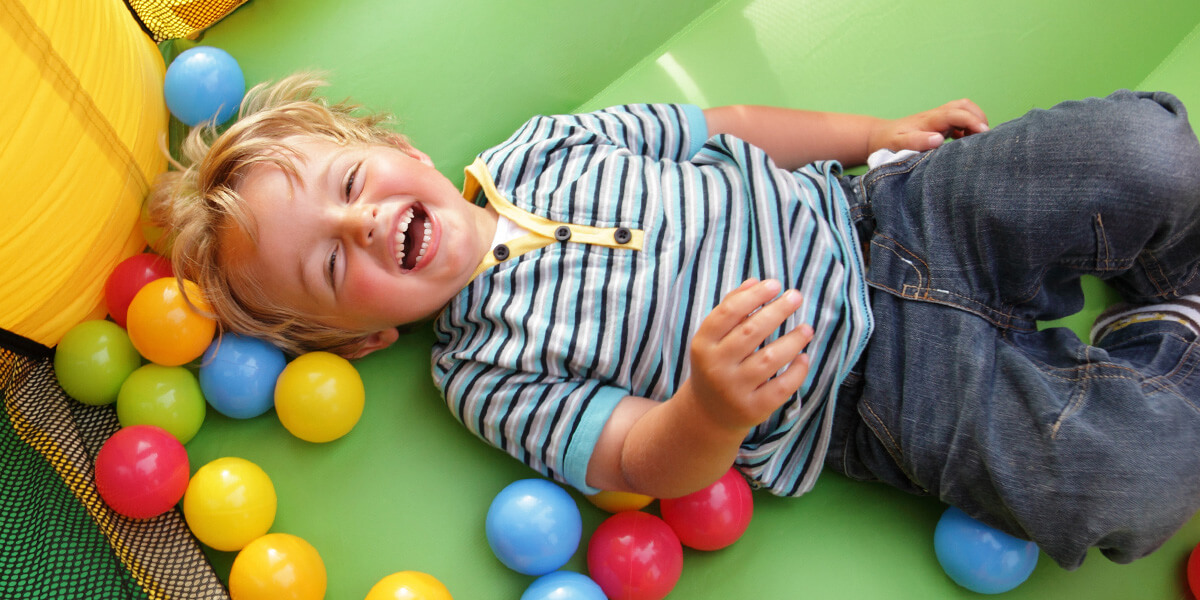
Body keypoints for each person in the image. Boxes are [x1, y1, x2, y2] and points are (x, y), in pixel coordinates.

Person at [148, 74, 1200, 570]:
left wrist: (879, 131)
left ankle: (1168, 257)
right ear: (362, 339)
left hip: (889, 211)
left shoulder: (542, 145)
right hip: (867, 400)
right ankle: (1171, 331)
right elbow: (646, 457)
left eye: (349, 182)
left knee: (1145, 155)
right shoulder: (480, 378)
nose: (364, 222)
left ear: (407, 156)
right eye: (332, 262)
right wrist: (708, 405)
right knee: (1123, 483)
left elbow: (729, 128)